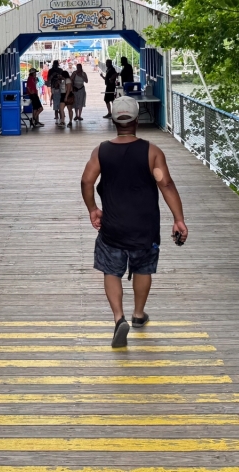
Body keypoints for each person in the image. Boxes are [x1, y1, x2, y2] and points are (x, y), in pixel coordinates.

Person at [80, 96, 188, 348]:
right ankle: (138, 314)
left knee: (111, 270)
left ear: (114, 121)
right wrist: (179, 219)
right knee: (143, 269)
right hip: (145, 227)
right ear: (137, 121)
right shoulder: (152, 152)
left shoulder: (101, 151)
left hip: (113, 227)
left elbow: (87, 181)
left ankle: (119, 319)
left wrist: (93, 209)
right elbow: (165, 184)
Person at [49, 61, 66, 125]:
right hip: (54, 86)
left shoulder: (60, 70)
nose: (56, 65)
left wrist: (59, 80)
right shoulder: (50, 71)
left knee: (61, 103)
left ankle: (62, 115)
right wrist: (52, 75)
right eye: (55, 64)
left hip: (60, 87)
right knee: (56, 106)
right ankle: (57, 116)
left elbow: (63, 78)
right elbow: (48, 79)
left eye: (56, 64)